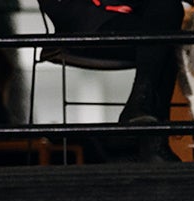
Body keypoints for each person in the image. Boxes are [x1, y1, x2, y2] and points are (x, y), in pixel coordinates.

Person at [38, 0, 184, 161]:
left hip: (119, 18)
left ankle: (139, 115)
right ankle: (149, 138)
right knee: (166, 36)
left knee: (167, 13)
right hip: (84, 19)